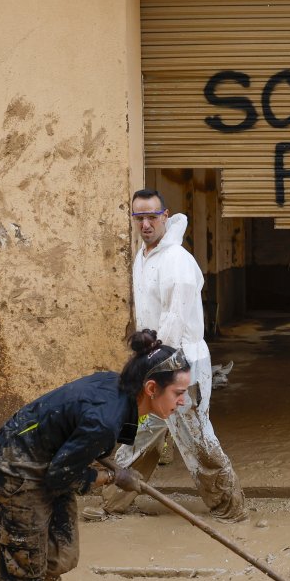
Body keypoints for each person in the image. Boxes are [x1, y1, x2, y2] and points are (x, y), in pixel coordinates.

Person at [0, 331, 190, 581]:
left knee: (62, 557)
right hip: (15, 468)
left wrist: (101, 464)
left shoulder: (117, 388)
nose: (182, 401)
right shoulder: (104, 421)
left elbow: (68, 461)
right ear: (151, 388)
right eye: (177, 393)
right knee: (26, 573)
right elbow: (62, 477)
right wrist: (114, 477)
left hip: (49, 463)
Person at [98, 188, 247, 522]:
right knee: (138, 431)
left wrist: (151, 361)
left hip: (181, 365)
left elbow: (174, 321)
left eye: (152, 216)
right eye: (140, 217)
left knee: (196, 439)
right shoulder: (144, 255)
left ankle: (230, 510)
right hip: (155, 363)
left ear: (165, 216)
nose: (146, 223)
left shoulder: (175, 261)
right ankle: (113, 500)